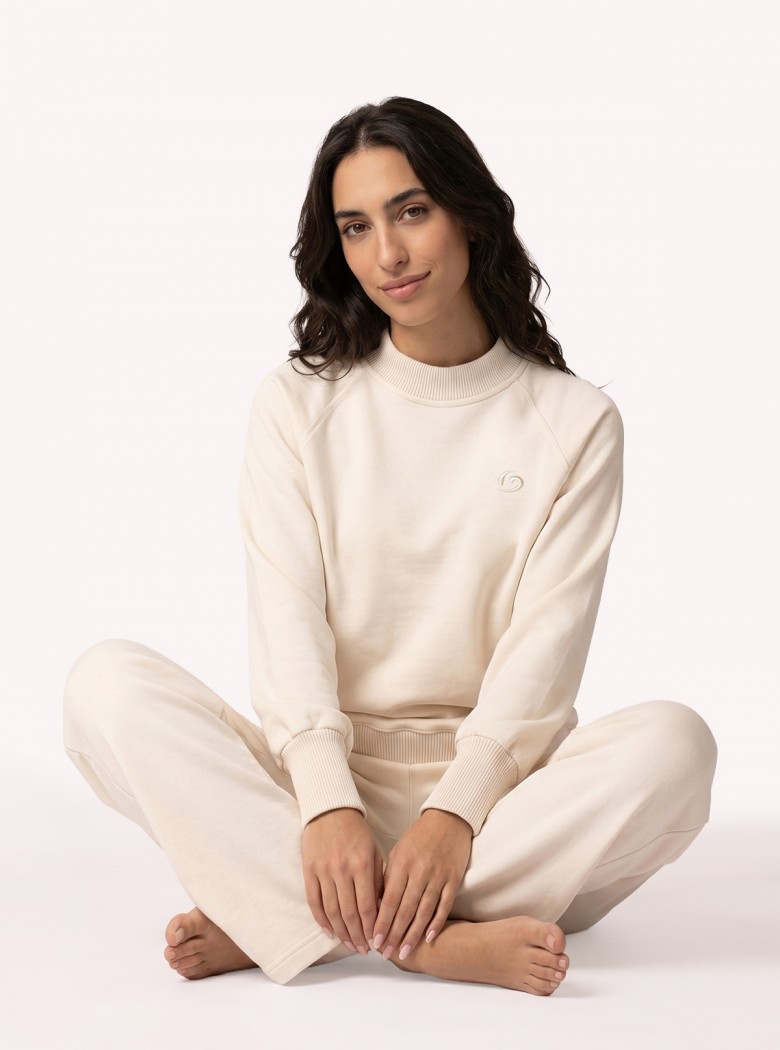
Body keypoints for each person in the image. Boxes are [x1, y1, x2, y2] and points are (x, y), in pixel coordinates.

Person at [63, 96, 717, 996]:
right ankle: (432, 941)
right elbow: (286, 619)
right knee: (102, 685)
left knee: (677, 747)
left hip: (502, 807)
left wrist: (456, 814)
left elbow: (546, 651)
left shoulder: (575, 422)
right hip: (317, 787)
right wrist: (328, 802)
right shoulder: (297, 404)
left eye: (411, 211)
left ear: (470, 216)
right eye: (357, 227)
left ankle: (284, 916)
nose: (388, 255)